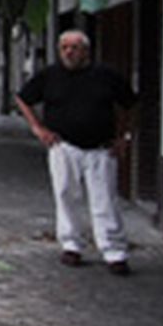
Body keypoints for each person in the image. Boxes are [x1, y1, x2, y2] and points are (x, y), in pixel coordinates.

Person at [15, 29, 138, 276]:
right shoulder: (50, 76)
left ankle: (114, 251)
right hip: (64, 146)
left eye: (74, 47)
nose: (69, 52)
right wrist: (37, 128)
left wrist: (124, 137)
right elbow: (23, 98)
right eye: (64, 48)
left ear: (86, 51)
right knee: (65, 194)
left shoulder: (105, 76)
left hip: (102, 147)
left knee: (105, 199)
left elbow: (130, 104)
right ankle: (71, 245)